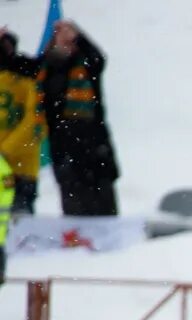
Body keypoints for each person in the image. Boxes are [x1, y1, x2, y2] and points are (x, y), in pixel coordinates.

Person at [38, 20, 119, 215]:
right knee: (74, 207)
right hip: (65, 150)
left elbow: (97, 58)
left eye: (71, 40)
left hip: (95, 148)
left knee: (104, 208)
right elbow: (14, 63)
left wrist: (78, 37)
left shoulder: (87, 66)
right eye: (62, 40)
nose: (67, 44)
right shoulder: (47, 70)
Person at [0, 30, 45, 214]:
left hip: (20, 170)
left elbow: (35, 124)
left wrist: (4, 152)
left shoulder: (29, 80)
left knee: (18, 230)